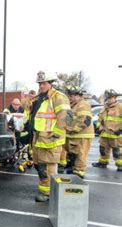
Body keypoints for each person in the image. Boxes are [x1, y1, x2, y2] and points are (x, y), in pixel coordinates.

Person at [27, 71, 70, 202]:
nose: (41, 86)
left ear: (50, 83)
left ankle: (48, 193)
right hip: (39, 137)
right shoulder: (41, 97)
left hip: (50, 139)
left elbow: (66, 117)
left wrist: (56, 134)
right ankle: (45, 190)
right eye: (39, 83)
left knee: (48, 168)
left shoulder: (58, 97)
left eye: (43, 83)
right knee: (40, 166)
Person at [63, 86, 95, 178]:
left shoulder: (83, 104)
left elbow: (86, 120)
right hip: (73, 134)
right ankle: (74, 168)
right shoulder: (73, 105)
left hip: (82, 135)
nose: (71, 97)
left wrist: (74, 129)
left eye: (73, 95)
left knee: (80, 153)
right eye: (70, 95)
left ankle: (79, 171)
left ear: (79, 96)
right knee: (73, 153)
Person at [92, 89, 122, 171]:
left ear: (115, 98)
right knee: (103, 149)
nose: (109, 99)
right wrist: (98, 128)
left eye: (111, 98)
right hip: (104, 133)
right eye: (108, 98)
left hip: (116, 134)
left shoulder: (120, 107)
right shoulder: (105, 107)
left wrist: (120, 130)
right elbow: (100, 119)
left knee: (117, 151)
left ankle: (120, 165)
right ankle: (103, 163)